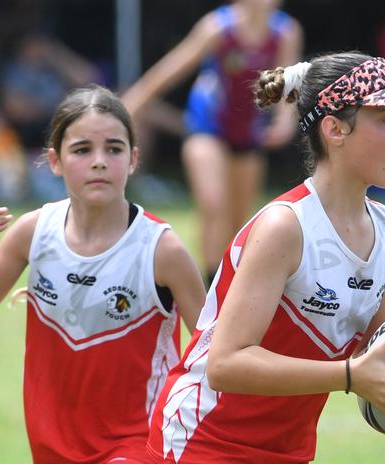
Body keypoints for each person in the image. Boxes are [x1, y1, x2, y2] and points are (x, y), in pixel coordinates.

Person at [139, 52, 385, 464]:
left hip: (286, 458)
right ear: (335, 128)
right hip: (203, 446)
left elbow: (376, 355)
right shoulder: (286, 226)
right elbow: (225, 365)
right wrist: (348, 377)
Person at [0, 84, 206, 464]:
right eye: (83, 150)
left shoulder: (161, 249)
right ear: (55, 161)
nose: (100, 162)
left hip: (142, 442)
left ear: (134, 159)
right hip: (57, 450)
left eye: (114, 149)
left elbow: (216, 351)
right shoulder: (33, 233)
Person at [122, 0, 303, 285]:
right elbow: (170, 70)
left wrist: (284, 122)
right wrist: (129, 105)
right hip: (207, 127)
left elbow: (289, 83)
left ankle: (230, 289)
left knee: (240, 222)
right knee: (213, 204)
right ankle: (209, 292)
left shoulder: (286, 31)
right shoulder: (218, 27)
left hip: (247, 133)